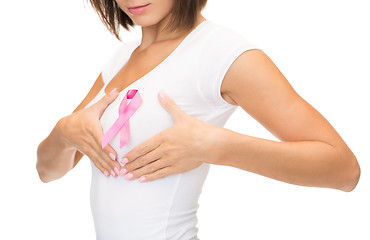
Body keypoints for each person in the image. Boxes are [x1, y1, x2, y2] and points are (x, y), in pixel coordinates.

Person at [36, 0, 361, 239]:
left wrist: (217, 147)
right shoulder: (120, 59)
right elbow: (47, 171)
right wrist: (64, 132)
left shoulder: (221, 52)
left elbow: (344, 170)